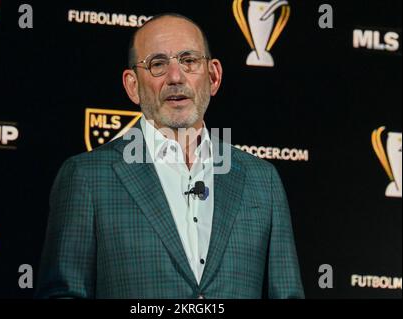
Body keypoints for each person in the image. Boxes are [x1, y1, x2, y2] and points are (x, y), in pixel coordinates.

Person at [36, 13, 304, 299]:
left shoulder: (262, 180)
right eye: (158, 64)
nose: (175, 77)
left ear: (213, 77)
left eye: (189, 61)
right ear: (132, 85)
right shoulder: (87, 177)